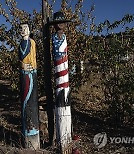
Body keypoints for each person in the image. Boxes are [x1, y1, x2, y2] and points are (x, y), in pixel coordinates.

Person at [50, 11, 72, 151]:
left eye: (63, 22)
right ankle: (62, 142)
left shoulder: (64, 36)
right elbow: (56, 53)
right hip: (59, 73)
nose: (61, 24)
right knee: (61, 98)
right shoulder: (54, 37)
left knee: (65, 99)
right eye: (58, 22)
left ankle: (67, 141)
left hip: (64, 73)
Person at [19, 22, 39, 149]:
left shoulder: (32, 42)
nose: (23, 30)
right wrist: (23, 66)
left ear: (29, 29)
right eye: (21, 29)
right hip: (24, 74)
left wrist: (31, 67)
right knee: (25, 101)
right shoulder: (20, 44)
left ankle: (33, 133)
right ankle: (27, 132)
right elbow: (21, 58)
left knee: (31, 100)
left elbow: (33, 57)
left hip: (32, 73)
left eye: (25, 28)